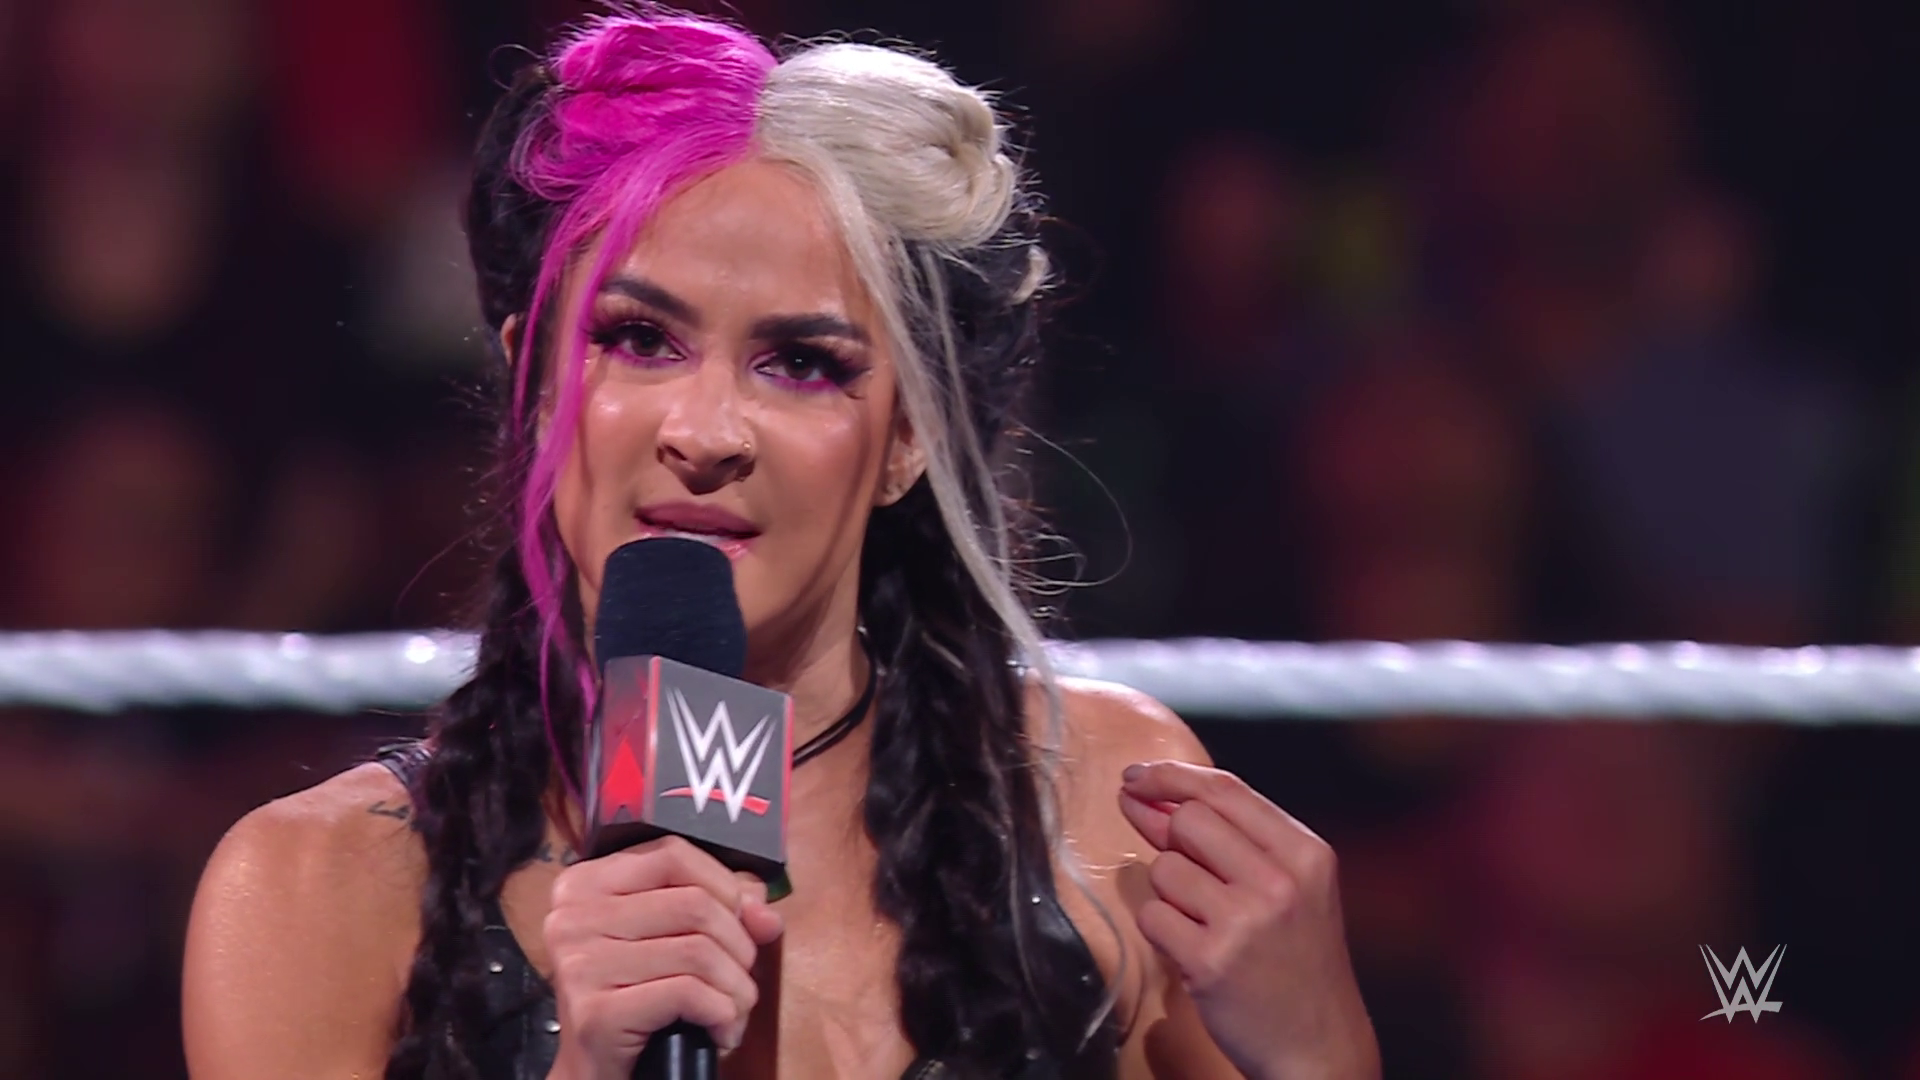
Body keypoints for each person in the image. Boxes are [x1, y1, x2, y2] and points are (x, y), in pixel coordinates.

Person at [180, 11, 1380, 1080]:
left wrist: (1317, 1051)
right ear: (533, 386)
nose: (707, 433)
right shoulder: (317, 892)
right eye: (640, 339)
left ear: (909, 436)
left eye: (801, 363)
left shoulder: (1105, 806)